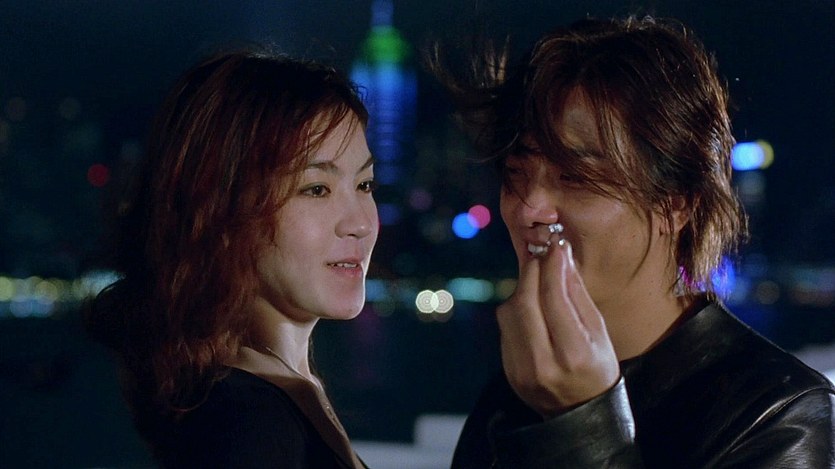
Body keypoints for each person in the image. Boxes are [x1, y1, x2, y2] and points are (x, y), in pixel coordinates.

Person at [432, 16, 835, 467]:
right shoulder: (521, 386)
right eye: (515, 174)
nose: (529, 208)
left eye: (575, 177)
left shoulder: (778, 415)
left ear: (676, 203)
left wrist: (579, 421)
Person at [86, 48, 377, 468]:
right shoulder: (249, 424)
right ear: (222, 212)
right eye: (316, 189)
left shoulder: (278, 393)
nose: (360, 223)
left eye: (365, 185)